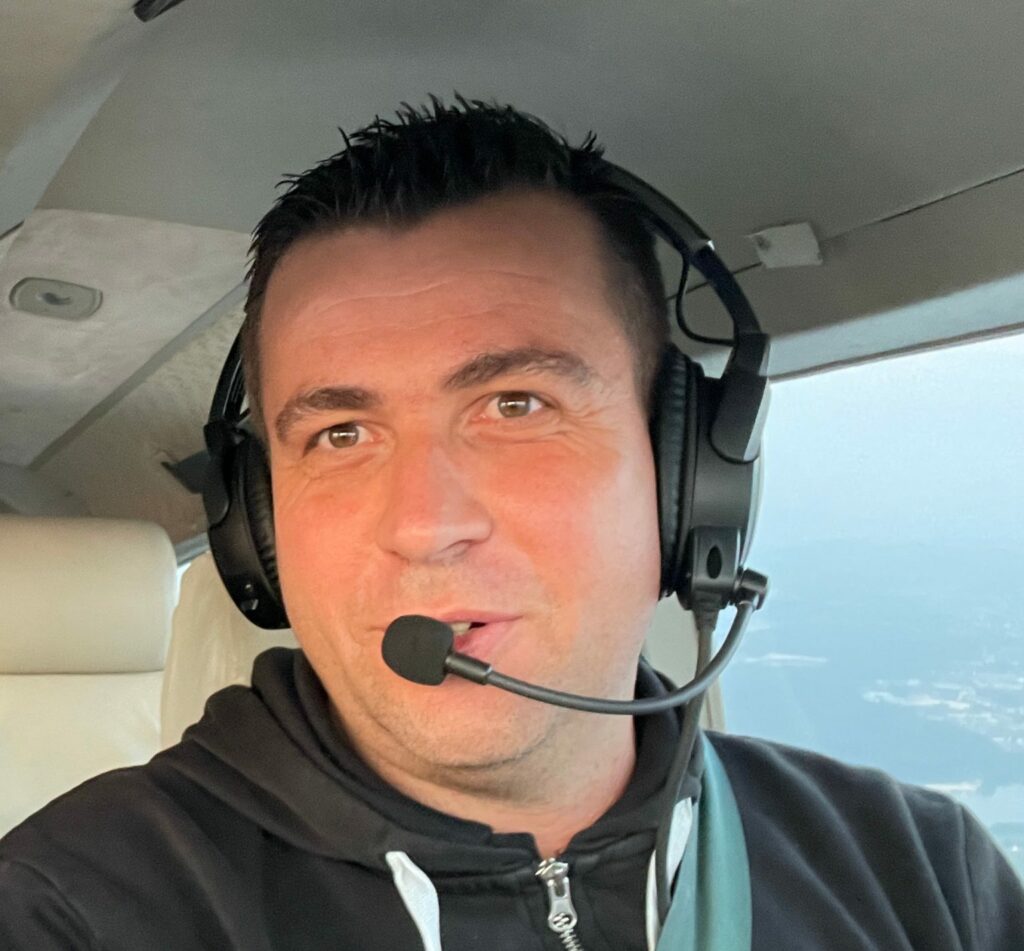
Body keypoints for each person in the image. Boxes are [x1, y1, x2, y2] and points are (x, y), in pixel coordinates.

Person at [1, 97, 1021, 950]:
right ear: (260, 529)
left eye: (515, 406)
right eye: (342, 434)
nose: (425, 524)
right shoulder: (72, 908)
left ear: (684, 480)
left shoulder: (922, 876)